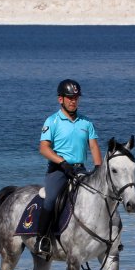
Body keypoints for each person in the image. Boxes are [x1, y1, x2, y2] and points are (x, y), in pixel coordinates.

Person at [36, 79, 102, 256]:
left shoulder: (86, 122)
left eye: (76, 98)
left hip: (80, 169)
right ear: (61, 99)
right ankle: (42, 239)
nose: (73, 101)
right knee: (50, 200)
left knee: (101, 196)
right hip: (58, 170)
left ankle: (107, 237)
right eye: (70, 97)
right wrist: (62, 163)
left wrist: (98, 169)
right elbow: (43, 148)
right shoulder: (52, 121)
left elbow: (94, 146)